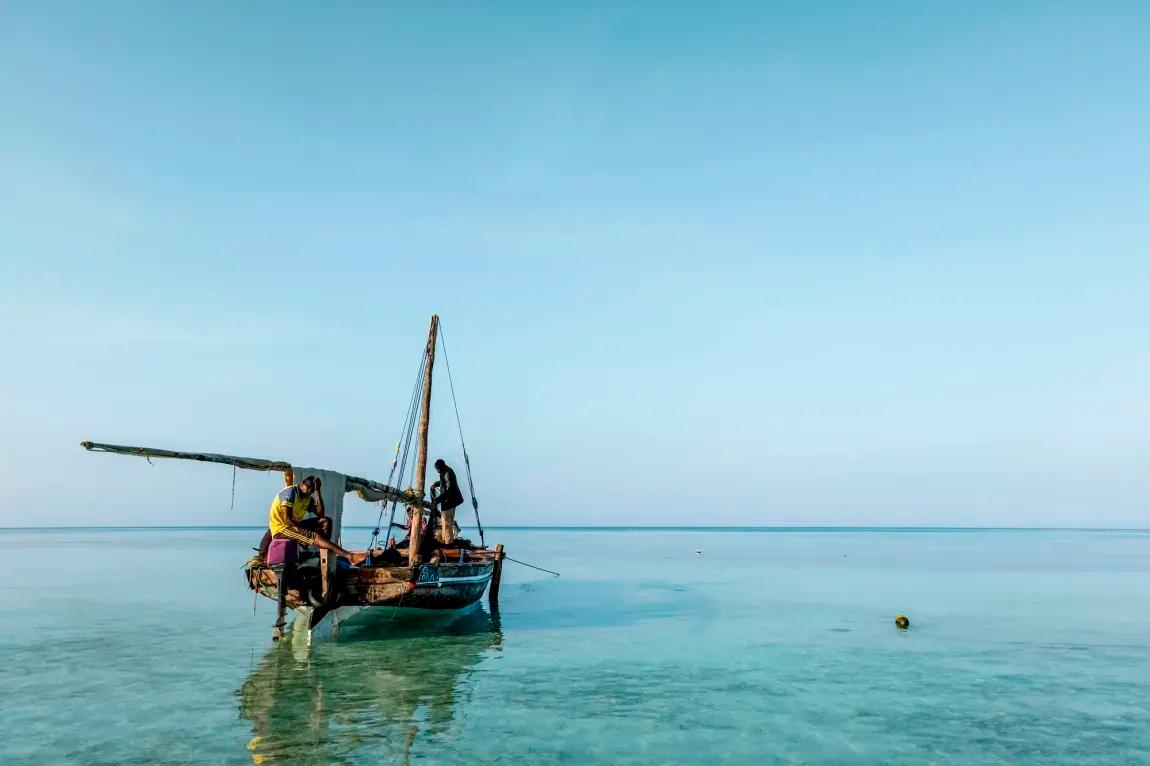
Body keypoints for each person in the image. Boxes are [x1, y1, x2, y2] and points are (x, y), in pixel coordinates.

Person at [258, 475, 364, 564]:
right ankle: (349, 556)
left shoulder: (307, 497)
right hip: (281, 529)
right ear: (302, 484)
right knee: (314, 536)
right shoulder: (290, 493)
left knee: (325, 521)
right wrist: (306, 532)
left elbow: (320, 513)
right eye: (307, 487)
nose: (308, 490)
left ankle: (323, 553)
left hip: (293, 525)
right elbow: (287, 520)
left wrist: (318, 491)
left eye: (311, 489)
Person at [430, 459, 464, 545]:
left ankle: (448, 543)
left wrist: (437, 500)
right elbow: (444, 482)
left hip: (449, 502)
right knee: (447, 522)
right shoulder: (446, 471)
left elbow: (448, 490)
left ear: (441, 467)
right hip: (451, 501)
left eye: (438, 469)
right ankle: (447, 541)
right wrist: (436, 484)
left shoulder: (448, 473)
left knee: (446, 523)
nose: (437, 471)